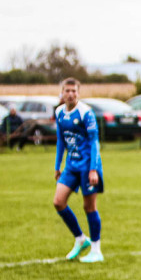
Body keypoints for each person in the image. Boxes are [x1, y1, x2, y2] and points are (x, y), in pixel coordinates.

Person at [53, 78, 104, 263]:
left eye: (74, 91)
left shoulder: (85, 113)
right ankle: (81, 239)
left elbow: (94, 142)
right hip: (71, 166)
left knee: (89, 206)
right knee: (58, 201)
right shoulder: (59, 112)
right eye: (67, 90)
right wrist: (57, 166)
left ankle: (96, 250)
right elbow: (60, 141)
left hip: (88, 167)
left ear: (79, 93)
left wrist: (93, 170)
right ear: (62, 93)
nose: (71, 94)